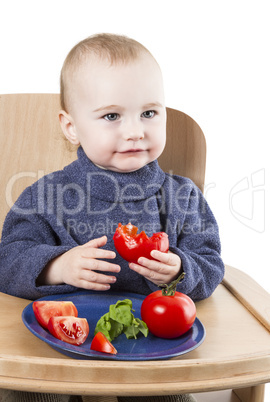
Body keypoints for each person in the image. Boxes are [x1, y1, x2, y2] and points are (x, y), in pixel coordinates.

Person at [0, 34, 224, 402]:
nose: (135, 131)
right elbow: (7, 258)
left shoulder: (181, 197)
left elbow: (211, 263)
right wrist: (55, 268)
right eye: (112, 116)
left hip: (150, 348)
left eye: (149, 113)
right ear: (71, 127)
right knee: (25, 391)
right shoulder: (46, 195)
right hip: (56, 344)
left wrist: (179, 270)